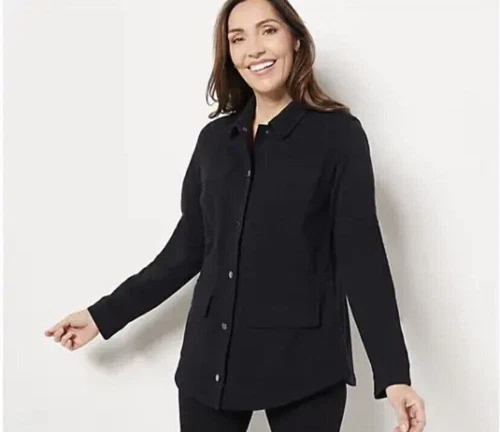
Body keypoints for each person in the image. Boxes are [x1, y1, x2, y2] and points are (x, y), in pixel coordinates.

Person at [44, 0, 427, 430]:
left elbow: (361, 258)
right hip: (211, 364)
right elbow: (186, 251)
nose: (254, 49)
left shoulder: (338, 136)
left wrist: (394, 375)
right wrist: (103, 315)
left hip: (306, 365)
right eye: (238, 38)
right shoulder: (214, 142)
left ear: (295, 40)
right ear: (228, 54)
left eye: (268, 30)